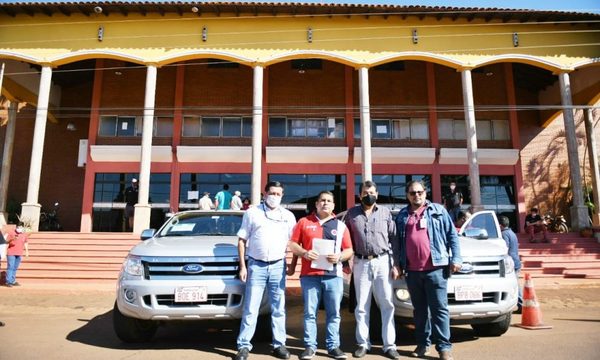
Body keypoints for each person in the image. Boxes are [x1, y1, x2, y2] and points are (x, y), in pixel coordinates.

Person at [395, 180, 461, 360]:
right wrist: (398, 264)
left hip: (436, 269)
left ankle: (444, 348)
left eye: (419, 192)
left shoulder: (438, 211)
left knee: (439, 309)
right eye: (412, 193)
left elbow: (452, 236)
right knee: (419, 311)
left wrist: (456, 258)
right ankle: (423, 344)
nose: (416, 195)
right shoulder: (402, 216)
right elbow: (398, 244)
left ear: (425, 193)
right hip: (412, 271)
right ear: (407, 195)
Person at [235, 181, 297, 360]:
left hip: (278, 266)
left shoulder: (288, 216)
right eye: (272, 193)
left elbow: (294, 243)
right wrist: (243, 266)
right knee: (251, 307)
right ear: (264, 193)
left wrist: (293, 264)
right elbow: (241, 240)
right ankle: (244, 346)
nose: (275, 197)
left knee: (278, 308)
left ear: (282, 196)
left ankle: (279, 345)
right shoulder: (252, 213)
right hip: (256, 266)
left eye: (278, 194)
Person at [288, 191, 354, 360]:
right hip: (309, 276)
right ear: (316, 204)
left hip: (334, 276)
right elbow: (293, 244)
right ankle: (310, 347)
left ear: (333, 205)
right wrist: (304, 253)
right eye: (322, 200)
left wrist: (339, 256)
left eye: (329, 201)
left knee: (334, 313)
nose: (325, 203)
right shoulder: (303, 222)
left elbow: (349, 250)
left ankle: (333, 347)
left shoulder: (340, 226)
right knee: (310, 313)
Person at [344, 180, 401, 360]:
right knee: (361, 306)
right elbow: (345, 239)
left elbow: (395, 239)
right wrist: (346, 262)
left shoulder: (385, 213)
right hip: (361, 262)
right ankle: (363, 343)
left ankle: (389, 345)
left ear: (377, 194)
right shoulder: (351, 214)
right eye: (366, 192)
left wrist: (396, 263)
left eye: (372, 192)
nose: (369, 195)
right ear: (360, 195)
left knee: (387, 303)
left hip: (383, 261)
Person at [499, 215, 523, 314]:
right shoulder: (511, 233)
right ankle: (521, 304)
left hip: (511, 263)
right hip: (516, 261)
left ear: (500, 225)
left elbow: (505, 248)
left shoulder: (504, 234)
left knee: (515, 285)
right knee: (516, 283)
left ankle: (521, 304)